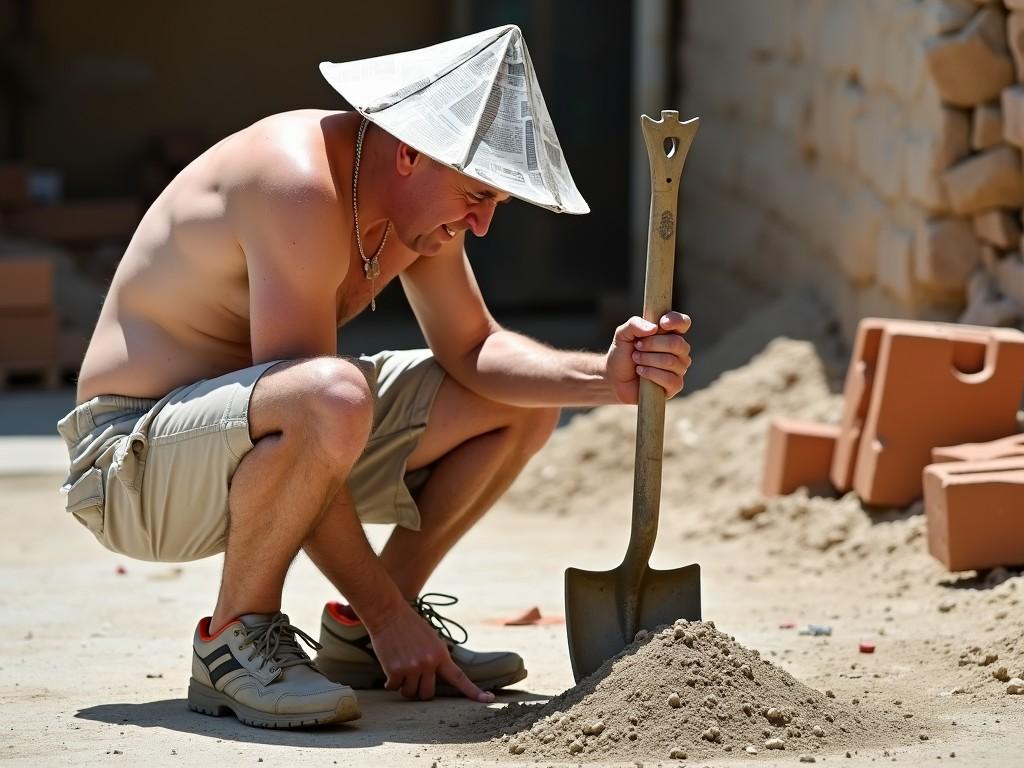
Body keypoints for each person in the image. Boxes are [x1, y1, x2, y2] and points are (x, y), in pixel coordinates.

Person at [56, 25, 691, 729]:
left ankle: (360, 633)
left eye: (496, 206)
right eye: (475, 195)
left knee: (517, 402)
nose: (480, 226)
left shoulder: (411, 207)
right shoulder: (297, 184)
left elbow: (475, 349)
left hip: (255, 434)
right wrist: (397, 621)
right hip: (132, 463)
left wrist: (608, 376)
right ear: (411, 152)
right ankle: (233, 641)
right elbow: (309, 406)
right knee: (330, 394)